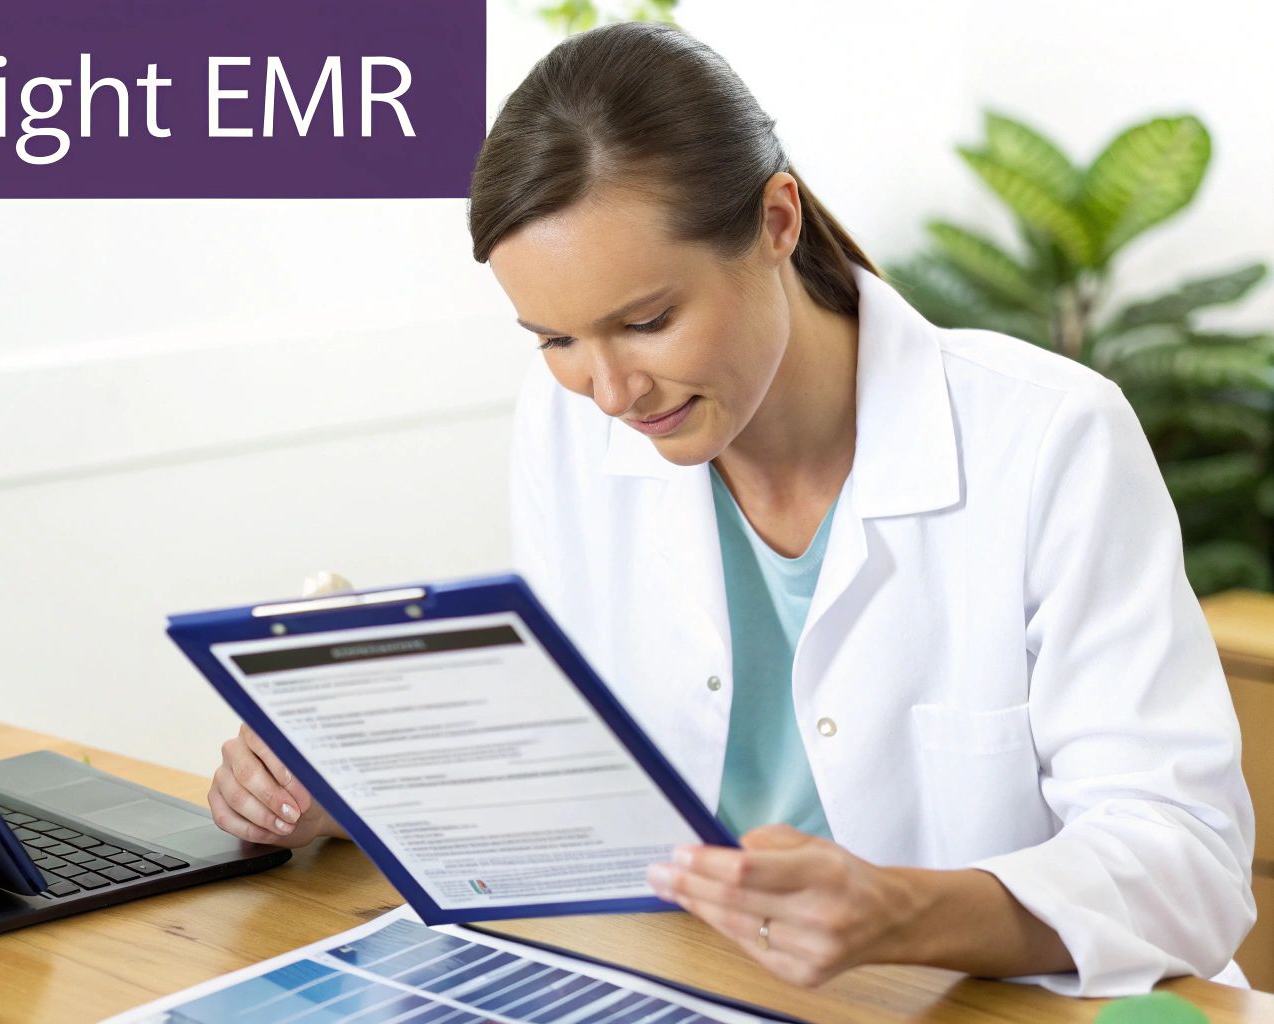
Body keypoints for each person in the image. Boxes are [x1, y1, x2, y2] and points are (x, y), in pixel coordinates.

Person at [207, 21, 1254, 997]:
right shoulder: (567, 426)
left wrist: (900, 910)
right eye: (554, 339)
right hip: (681, 983)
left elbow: (1186, 863)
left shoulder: (1047, 437)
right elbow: (576, 779)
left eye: (647, 319)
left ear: (775, 220)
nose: (610, 392)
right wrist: (348, 791)